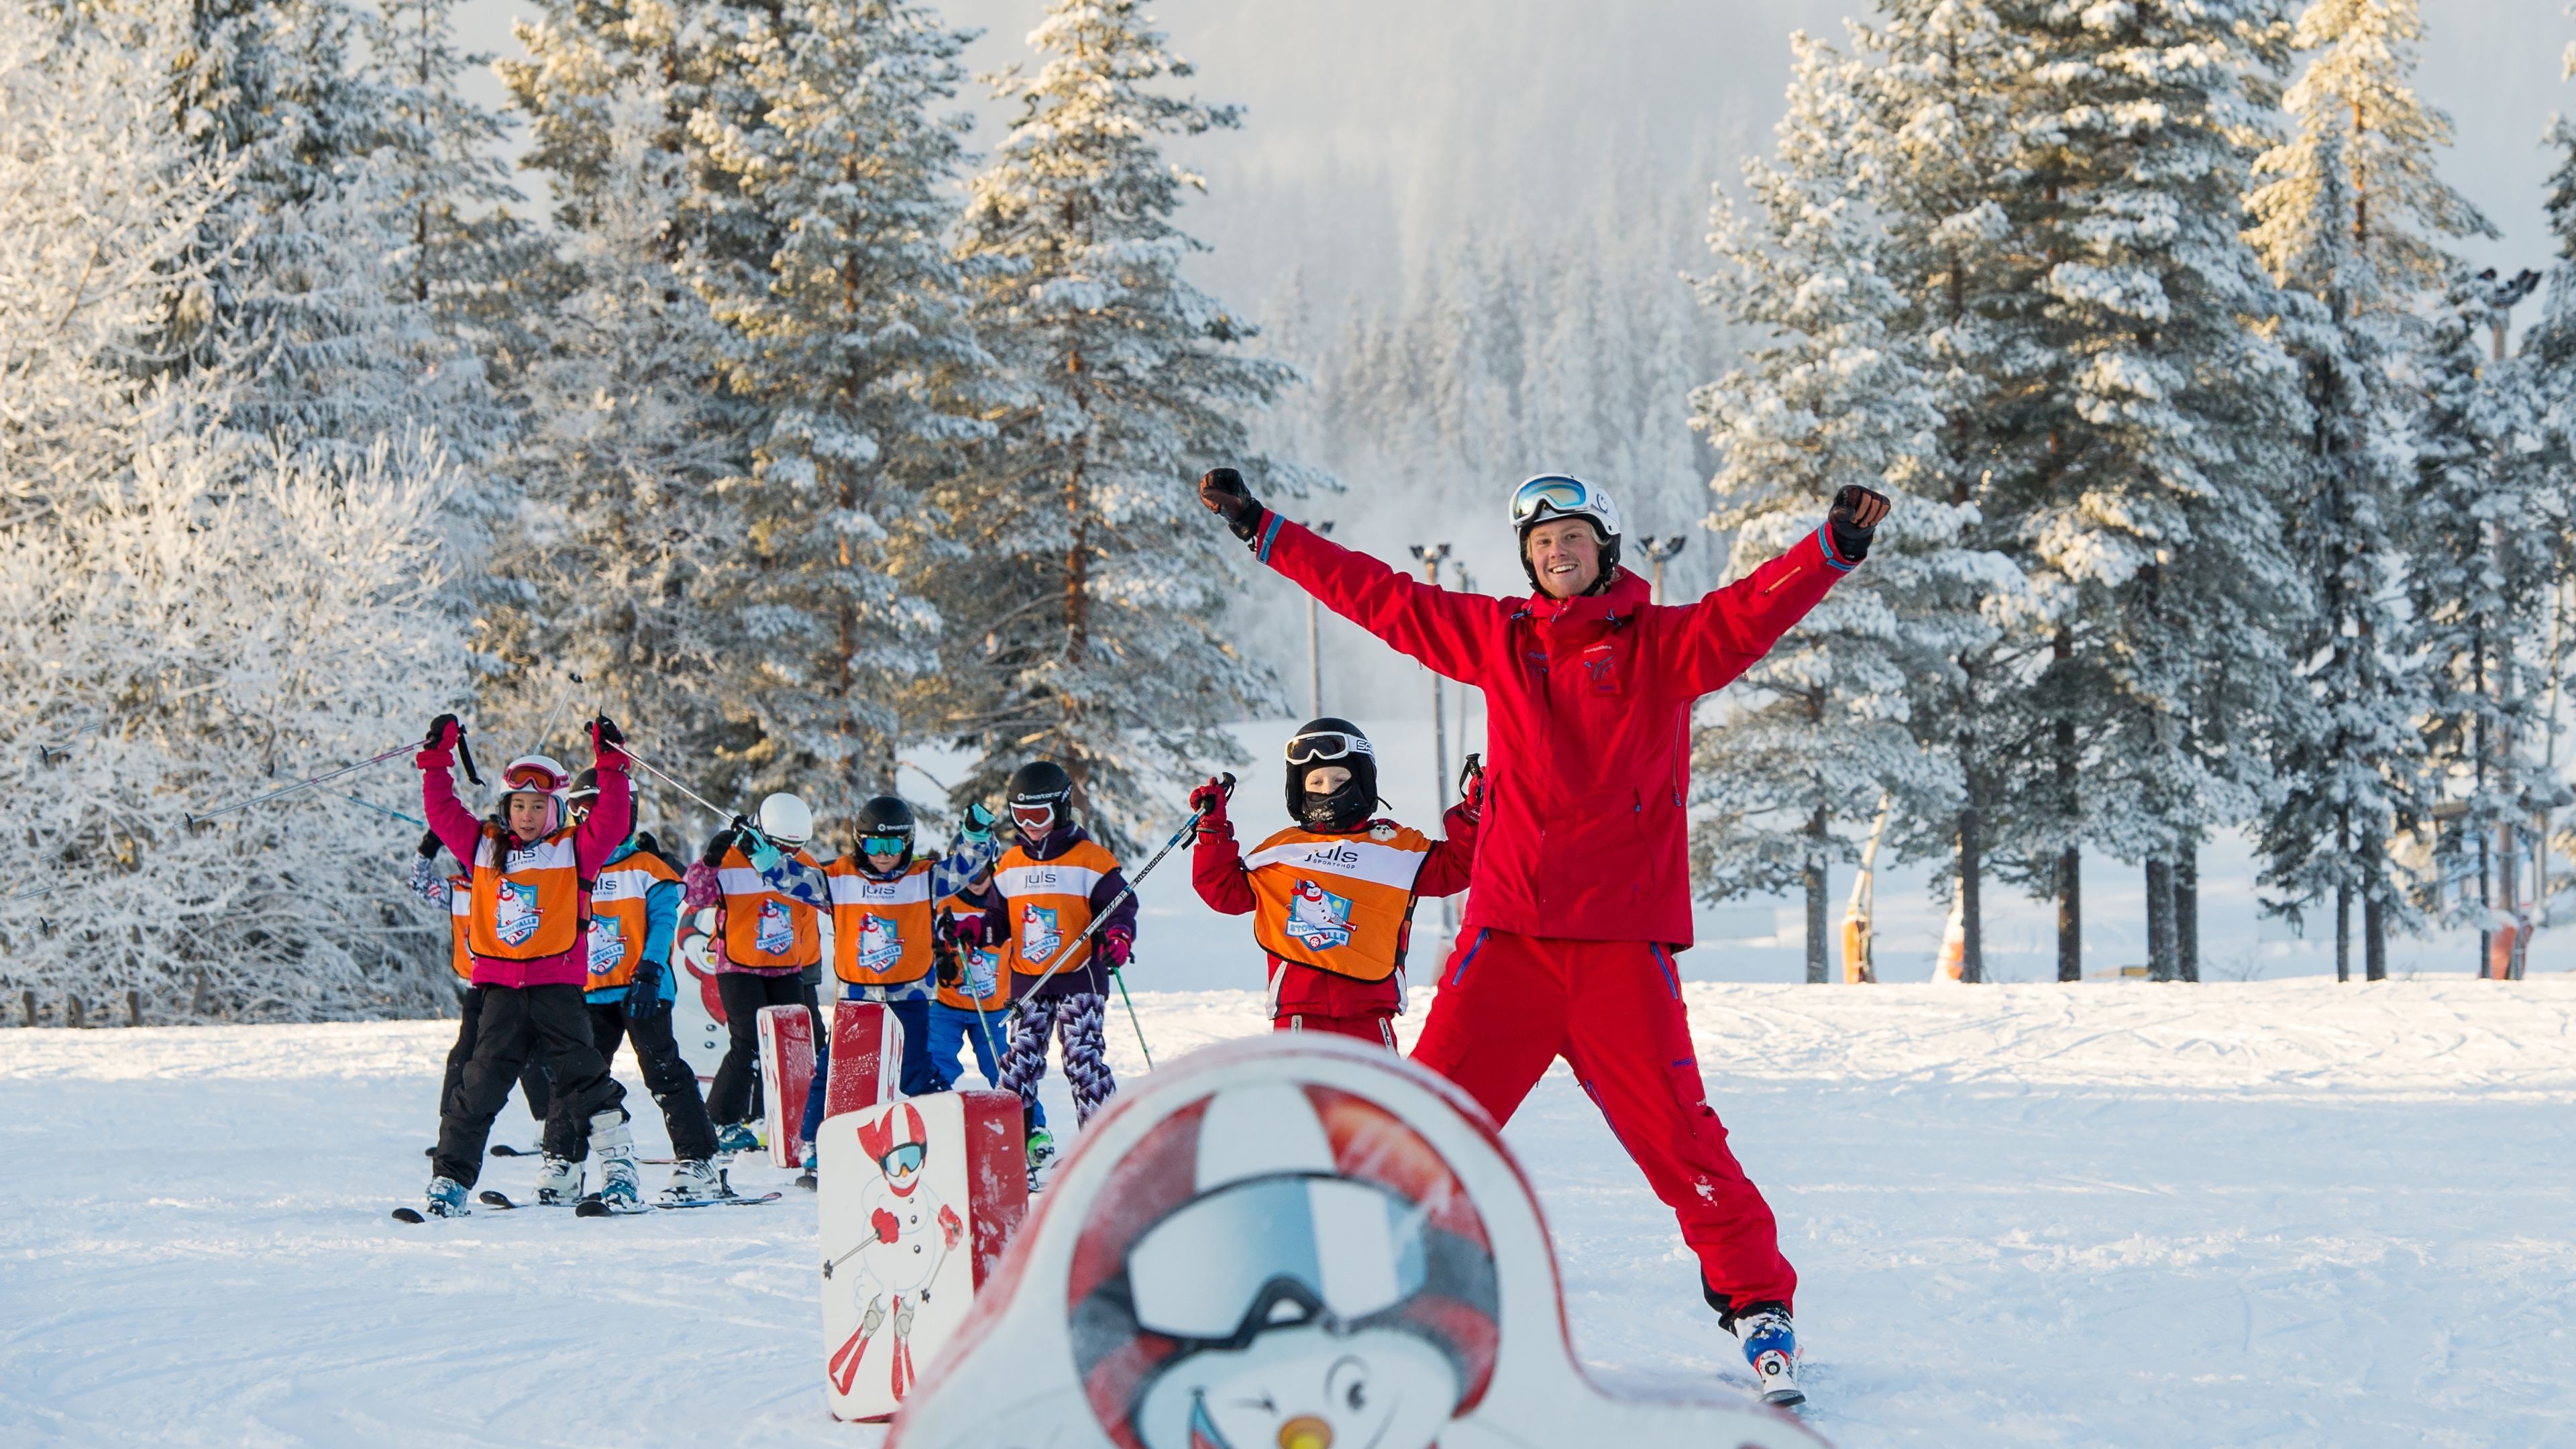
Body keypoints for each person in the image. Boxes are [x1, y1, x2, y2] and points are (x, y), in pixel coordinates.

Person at [1195, 466, 1890, 1405]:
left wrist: (1829, 551)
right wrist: (1262, 530)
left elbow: (1745, 615)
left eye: (1572, 539)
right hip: (1509, 944)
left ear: (1604, 550)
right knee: (1421, 1129)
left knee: (1682, 1140)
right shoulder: (1500, 638)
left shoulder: (1664, 648)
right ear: (1527, 562)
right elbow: (1379, 597)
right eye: (1540, 544)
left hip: (1618, 948)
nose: (1557, 554)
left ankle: (1759, 1303)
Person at [415, 714, 640, 1218]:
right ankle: (450, 1182)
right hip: (499, 990)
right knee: (478, 1088)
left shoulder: (575, 849)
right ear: (506, 807)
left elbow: (613, 820)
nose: (527, 815)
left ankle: (620, 1171)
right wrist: (436, 757)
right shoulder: (483, 846)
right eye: (519, 805)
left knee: (585, 1080)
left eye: (539, 806)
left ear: (556, 808)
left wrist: (610, 761)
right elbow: (441, 809)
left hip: (556, 987)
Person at [1188, 718, 1481, 1046]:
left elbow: (1458, 865)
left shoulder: (1394, 846)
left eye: (1341, 778)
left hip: (1369, 1013)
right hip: (1300, 1013)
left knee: (1372, 1100)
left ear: (1363, 780)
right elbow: (1224, 892)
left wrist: (1474, 815)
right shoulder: (1284, 850)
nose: (1328, 789)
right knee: (1302, 1100)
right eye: (1317, 781)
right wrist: (1212, 829)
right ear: (1300, 789)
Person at [535, 770, 727, 1203]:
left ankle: (699, 1160)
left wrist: (651, 969)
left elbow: (662, 922)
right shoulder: (569, 865)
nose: (589, 823)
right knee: (575, 1077)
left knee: (663, 1071)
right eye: (580, 814)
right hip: (590, 990)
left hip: (642, 987)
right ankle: (563, 1161)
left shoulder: (646, 868)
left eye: (599, 813)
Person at [796, 796, 1003, 1155]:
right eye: (874, 844)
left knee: (916, 1071)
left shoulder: (925, 878)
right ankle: (817, 1145)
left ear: (907, 843)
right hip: (858, 995)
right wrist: (764, 857)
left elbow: (967, 868)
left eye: (892, 845)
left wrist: (974, 835)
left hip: (910, 994)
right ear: (861, 843)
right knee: (836, 1070)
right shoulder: (839, 878)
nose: (883, 854)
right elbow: (791, 882)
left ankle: (952, 1137)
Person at [965, 760, 1136, 1174]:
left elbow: (1120, 909)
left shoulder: (1091, 860)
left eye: (1038, 816)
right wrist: (975, 928)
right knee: (1018, 1062)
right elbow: (997, 921)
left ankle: (1103, 1153)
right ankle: (1011, 1155)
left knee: (1082, 1057)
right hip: (1029, 981)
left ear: (1060, 809)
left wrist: (1118, 938)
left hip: (1081, 976)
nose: (1030, 826)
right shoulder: (1009, 865)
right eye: (1020, 816)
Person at [684, 792, 830, 1153]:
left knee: (797, 1045)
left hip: (787, 968)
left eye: (796, 849)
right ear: (763, 832)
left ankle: (780, 1117)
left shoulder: (804, 864)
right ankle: (719, 1121)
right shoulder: (732, 860)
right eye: (781, 846)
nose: (788, 856)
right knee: (748, 1043)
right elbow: (694, 895)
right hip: (738, 966)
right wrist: (710, 861)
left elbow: (833, 901)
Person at [409, 830, 553, 1140]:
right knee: (464, 1056)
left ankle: (551, 1125)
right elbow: (418, 884)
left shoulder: (511, 883)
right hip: (478, 987)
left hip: (516, 981)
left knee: (530, 1054)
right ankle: (451, 1127)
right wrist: (428, 848)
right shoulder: (457, 889)